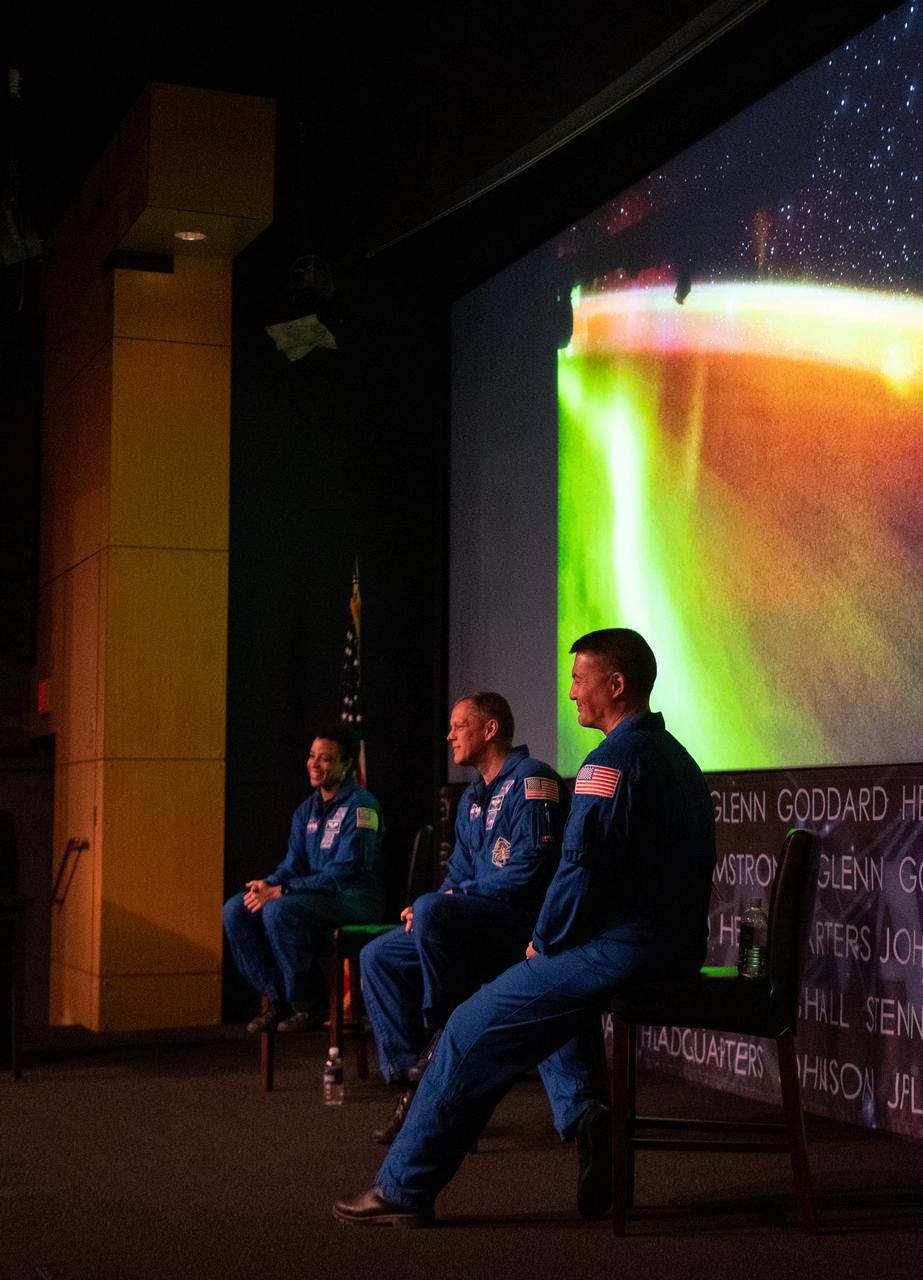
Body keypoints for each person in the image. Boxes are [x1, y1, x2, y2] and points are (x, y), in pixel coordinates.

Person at [333, 627, 716, 1226]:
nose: (570, 694)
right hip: (671, 951)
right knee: (542, 1007)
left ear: (615, 685)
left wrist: (546, 940)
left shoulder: (610, 762)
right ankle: (586, 1112)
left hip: (620, 952)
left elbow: (578, 869)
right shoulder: (681, 759)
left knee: (468, 1028)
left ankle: (402, 1191)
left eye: (579, 680)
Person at [361, 692, 581, 1143]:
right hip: (471, 921)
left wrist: (446, 901)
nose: (449, 735)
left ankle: (444, 1029)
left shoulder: (533, 781)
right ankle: (414, 1076)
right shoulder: (470, 800)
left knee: (431, 911)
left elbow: (529, 872)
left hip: (522, 924)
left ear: (490, 729)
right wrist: (435, 903)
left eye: (459, 725)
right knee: (378, 955)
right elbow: (456, 875)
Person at [223, 724, 384, 1033]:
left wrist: (284, 890)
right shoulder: (306, 810)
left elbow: (345, 872)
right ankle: (278, 997)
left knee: (279, 909)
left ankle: (312, 1003)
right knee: (236, 910)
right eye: (312, 756)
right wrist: (268, 884)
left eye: (324, 758)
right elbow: (292, 864)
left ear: (347, 764)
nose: (314, 764)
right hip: (316, 898)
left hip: (354, 900)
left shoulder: (362, 806)